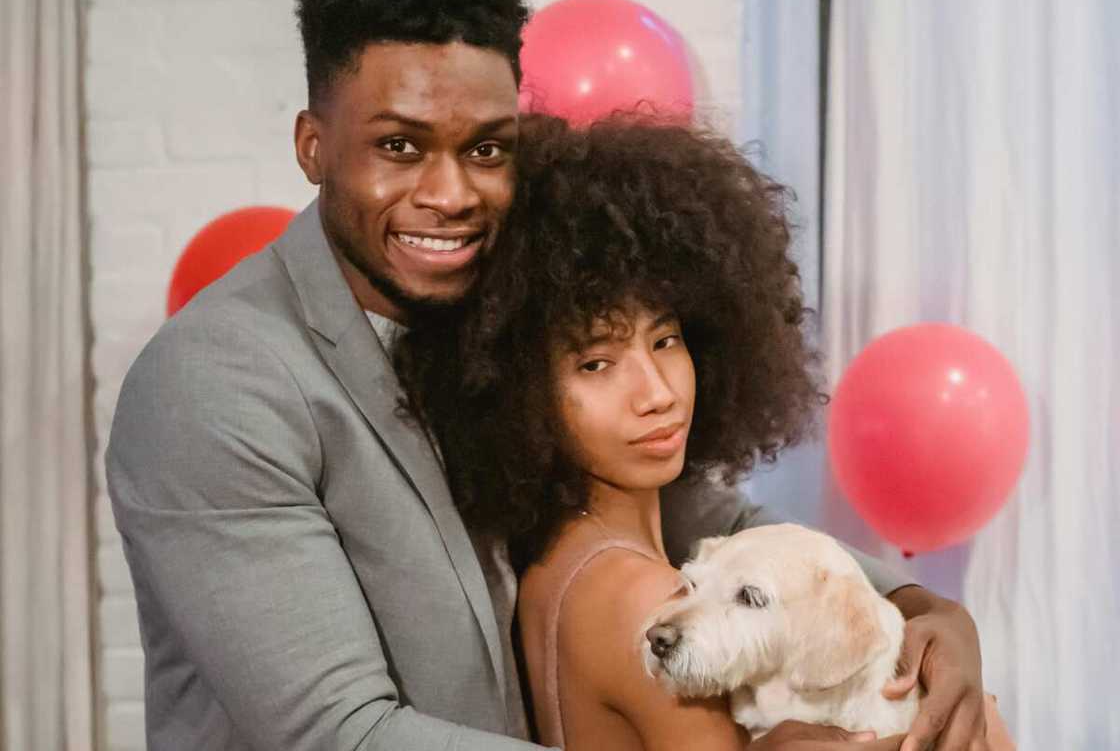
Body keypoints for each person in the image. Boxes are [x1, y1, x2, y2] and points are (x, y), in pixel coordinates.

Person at [107, 0, 995, 750]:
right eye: (401, 148)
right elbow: (343, 733)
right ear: (312, 145)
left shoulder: (478, 294)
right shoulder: (212, 386)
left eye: (487, 149)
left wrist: (923, 610)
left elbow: (707, 513)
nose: (452, 193)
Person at [397, 115, 1013, 751]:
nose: (657, 393)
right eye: (597, 364)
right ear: (515, 390)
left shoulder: (558, 568)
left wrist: (939, 613)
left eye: (665, 340)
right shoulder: (649, 600)